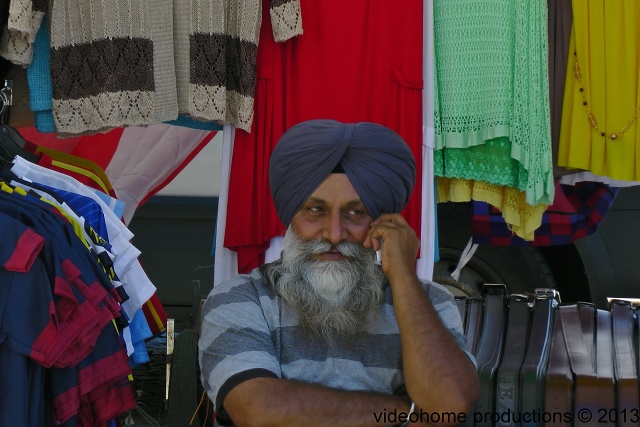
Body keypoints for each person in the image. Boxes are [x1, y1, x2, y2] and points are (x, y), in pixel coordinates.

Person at [199, 119, 480, 426]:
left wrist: (403, 275)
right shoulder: (241, 298)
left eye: (356, 213)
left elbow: (449, 404)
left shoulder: (429, 301)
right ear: (289, 217)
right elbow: (262, 411)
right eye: (315, 210)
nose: (334, 234)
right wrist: (408, 411)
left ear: (381, 223)